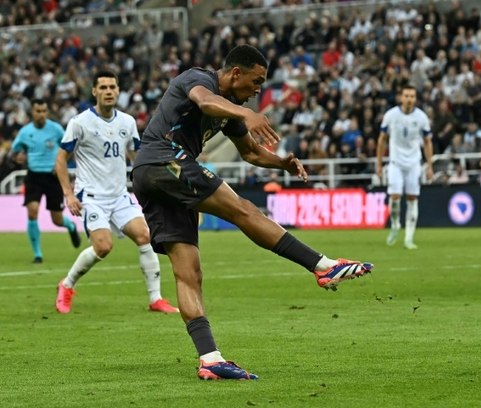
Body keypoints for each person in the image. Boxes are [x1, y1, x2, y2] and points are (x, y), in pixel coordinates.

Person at [130, 45, 373, 381]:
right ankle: (323, 266)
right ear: (235, 74)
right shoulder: (199, 79)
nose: (258, 90)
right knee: (244, 210)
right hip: (164, 160)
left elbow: (250, 153)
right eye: (256, 81)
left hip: (149, 174)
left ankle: (210, 359)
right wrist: (243, 114)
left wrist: (281, 163)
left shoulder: (230, 109)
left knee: (189, 272)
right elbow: (203, 100)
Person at [54, 70, 178, 315]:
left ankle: (156, 299)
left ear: (118, 91)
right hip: (91, 196)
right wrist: (68, 195)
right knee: (103, 247)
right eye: (103, 87)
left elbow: (137, 157)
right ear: (94, 92)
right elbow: (60, 160)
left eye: (112, 87)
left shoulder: (127, 122)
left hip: (119, 195)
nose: (108, 91)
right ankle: (66, 285)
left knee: (145, 236)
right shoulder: (79, 123)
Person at [10, 98, 81, 263]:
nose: (41, 114)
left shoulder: (56, 129)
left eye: (44, 111)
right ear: (32, 112)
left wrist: (60, 164)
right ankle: (38, 254)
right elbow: (15, 152)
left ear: (47, 112)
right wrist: (18, 157)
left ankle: (70, 226)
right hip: (34, 176)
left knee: (56, 219)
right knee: (32, 211)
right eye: (38, 111)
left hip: (53, 176)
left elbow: (69, 147)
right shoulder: (25, 132)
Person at [375, 84, 434, 250]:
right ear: (401, 97)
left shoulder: (422, 117)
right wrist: (378, 163)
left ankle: (409, 238)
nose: (409, 99)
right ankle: (395, 224)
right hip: (395, 163)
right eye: (406, 96)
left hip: (414, 163)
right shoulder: (391, 115)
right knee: (394, 197)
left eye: (412, 96)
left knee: (412, 199)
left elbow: (428, 142)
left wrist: (430, 166)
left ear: (415, 98)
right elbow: (381, 140)